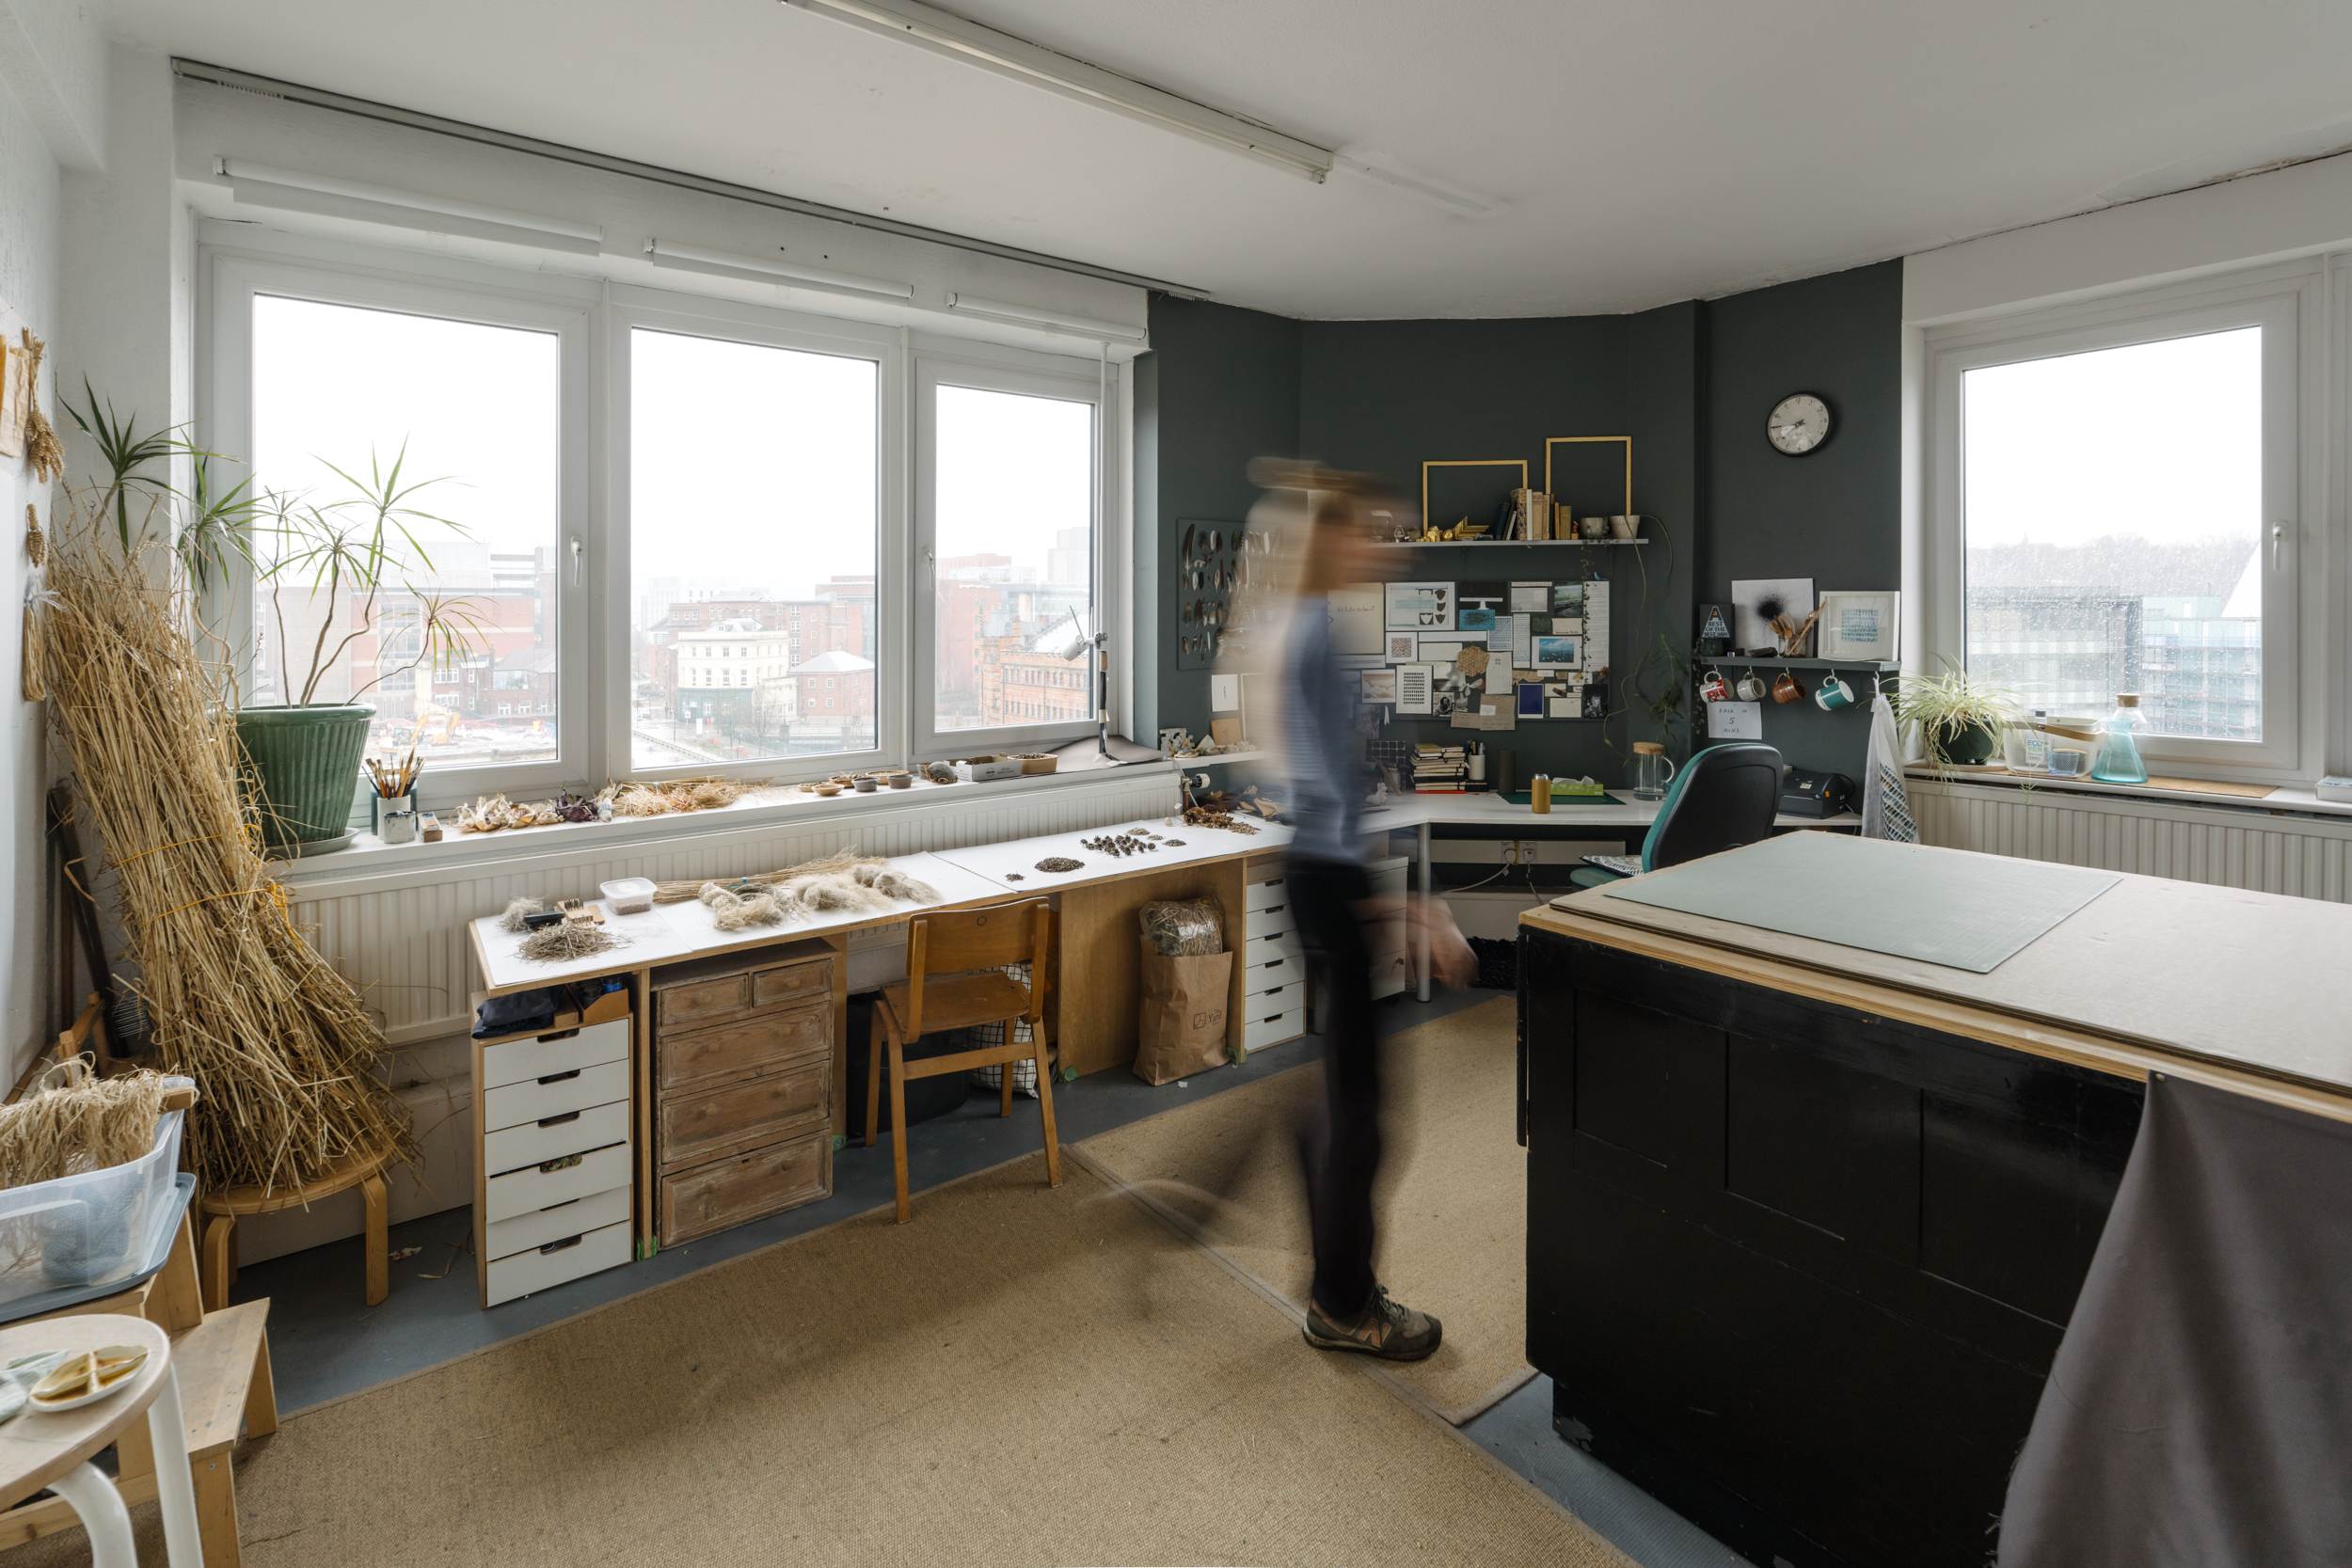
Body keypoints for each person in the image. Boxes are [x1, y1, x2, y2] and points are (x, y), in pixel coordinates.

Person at [1256, 461, 1476, 1363]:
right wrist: (1406, 911)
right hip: (1323, 872)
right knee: (1365, 1111)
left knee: (1351, 1101)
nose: (1387, 548)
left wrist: (1396, 907)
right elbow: (1321, 792)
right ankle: (1344, 1305)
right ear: (1331, 541)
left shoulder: (1311, 629)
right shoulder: (1311, 634)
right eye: (1372, 533)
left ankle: (1333, 1263)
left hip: (1321, 871)